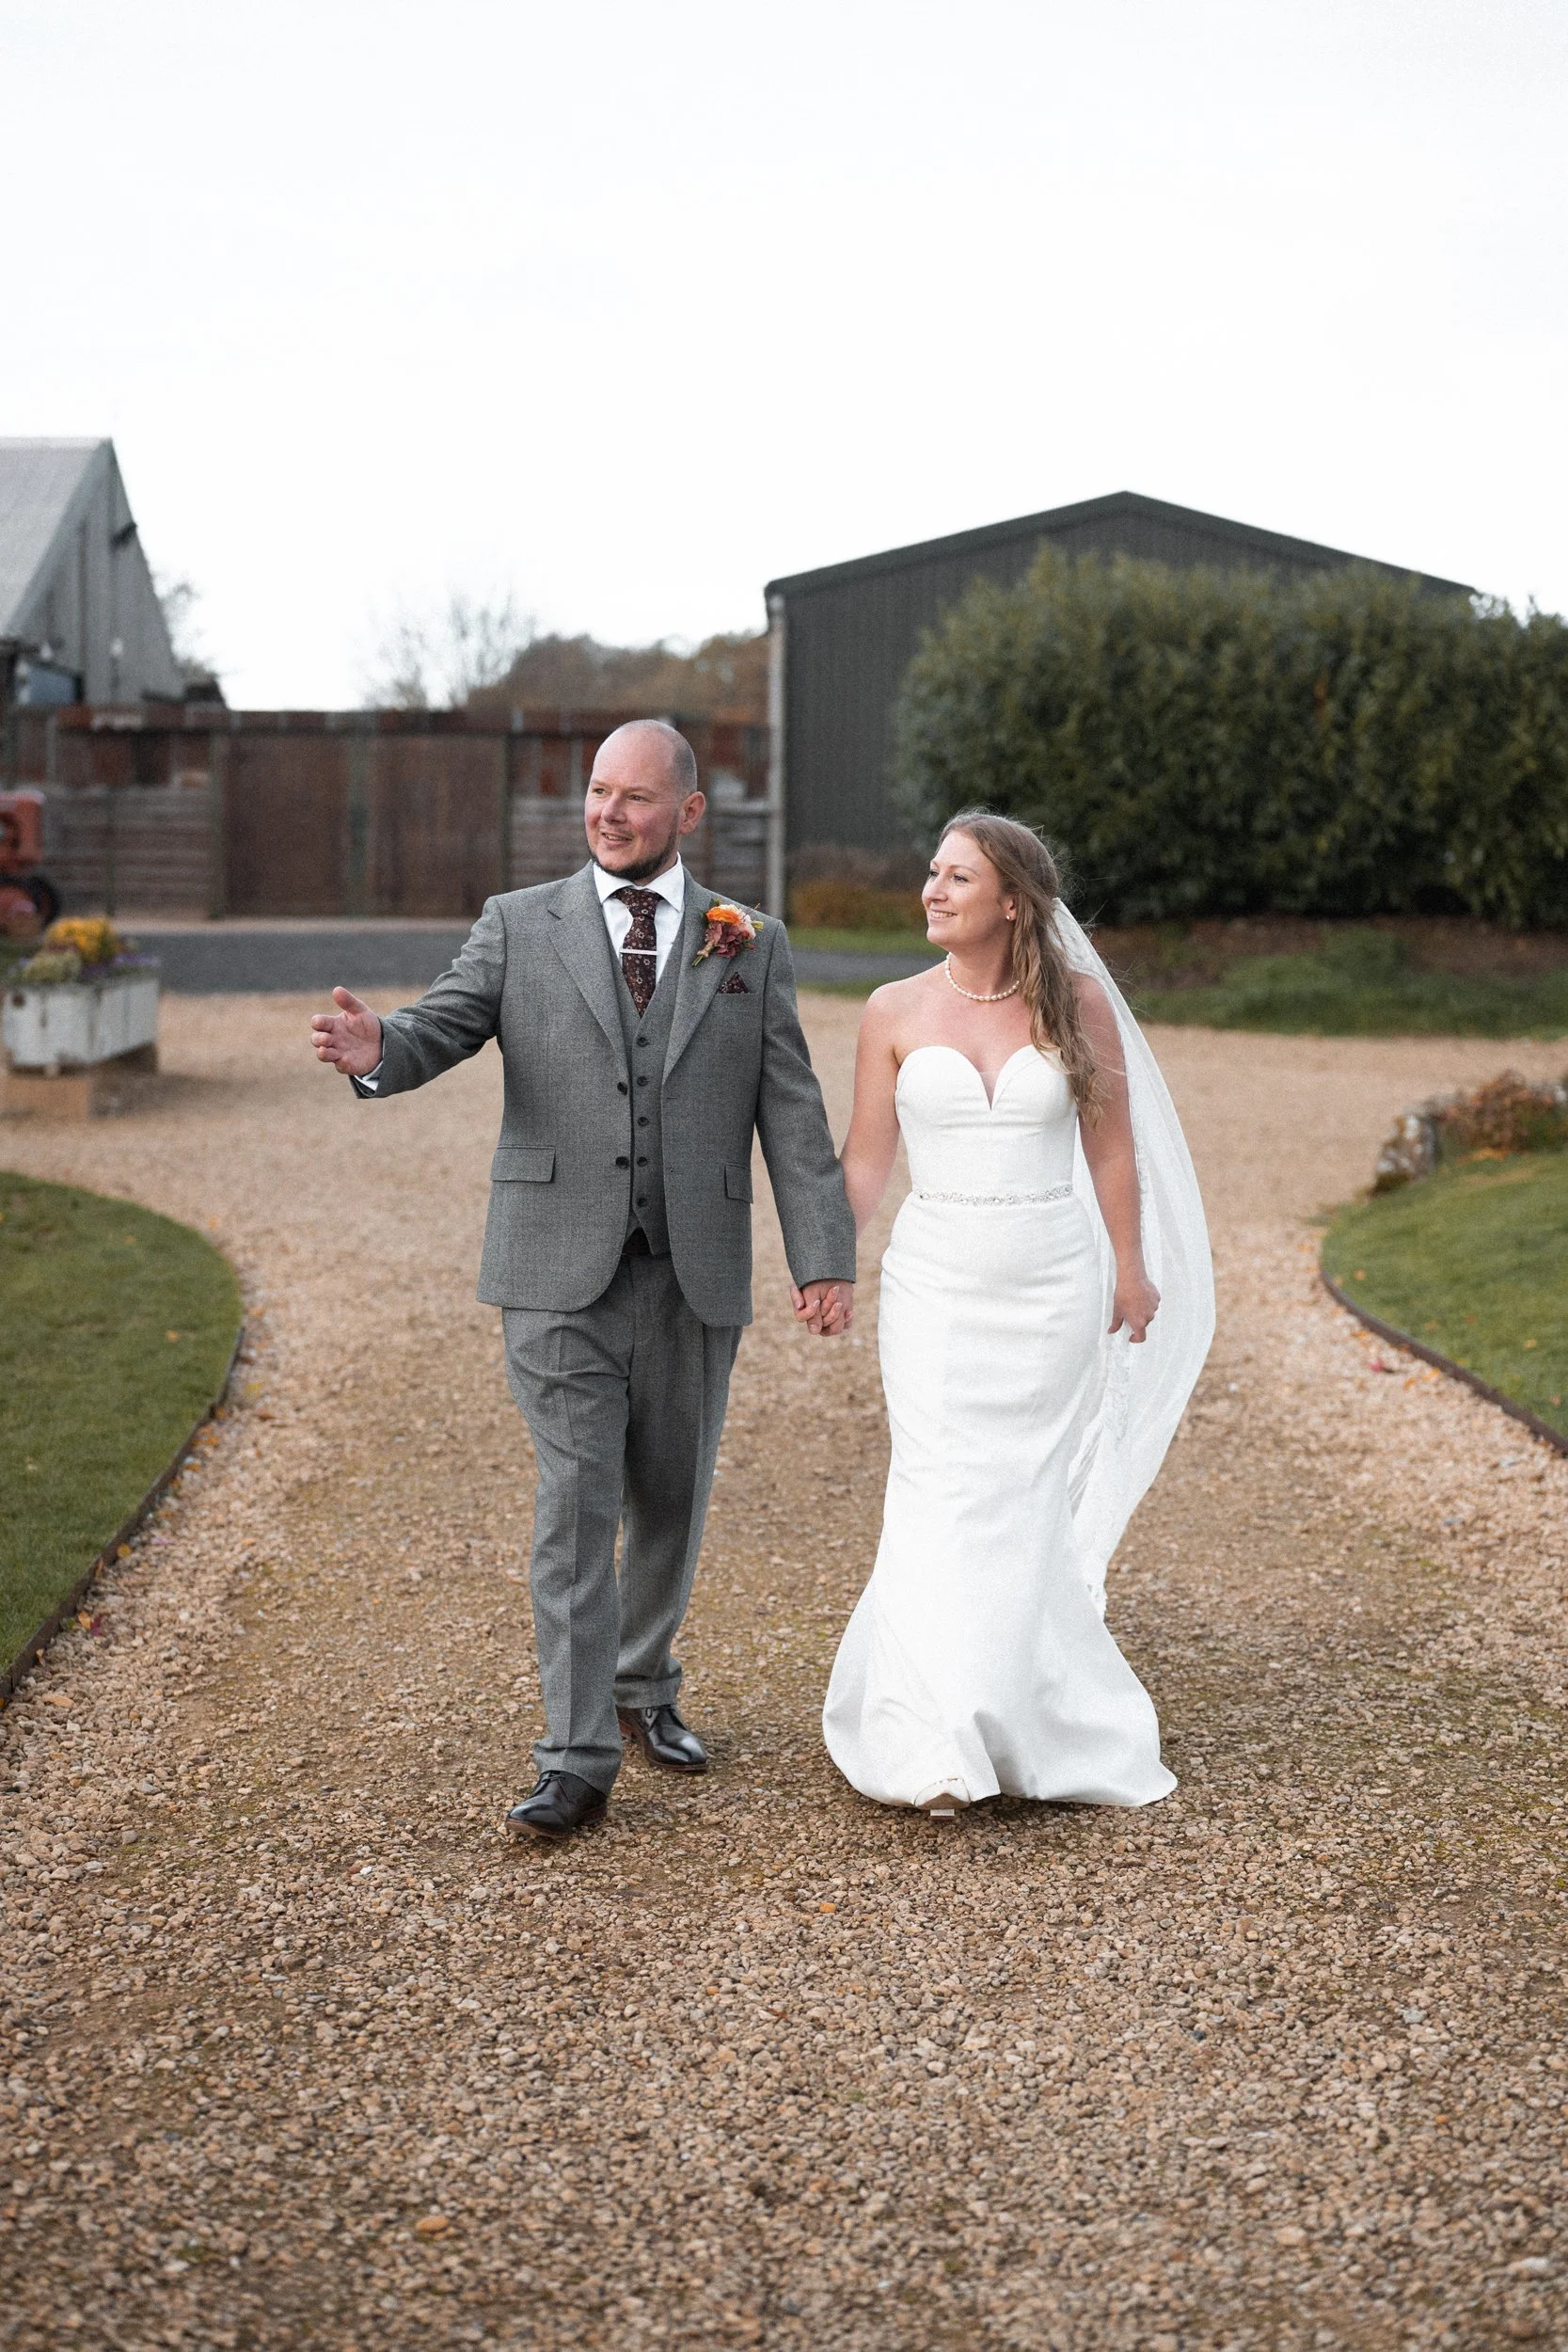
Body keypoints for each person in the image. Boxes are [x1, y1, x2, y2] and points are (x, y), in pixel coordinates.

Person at [311, 720, 856, 1840]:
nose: (610, 813)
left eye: (637, 797)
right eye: (598, 792)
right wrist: (381, 1053)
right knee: (576, 1502)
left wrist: (822, 1258)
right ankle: (574, 1755)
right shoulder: (519, 924)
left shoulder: (748, 939)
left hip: (692, 1268)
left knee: (671, 1496)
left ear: (688, 813)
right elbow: (442, 1026)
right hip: (554, 1268)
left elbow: (789, 1110)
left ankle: (644, 1685)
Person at [823, 810, 1213, 1819]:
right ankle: (934, 1738)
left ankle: (1023, 1713)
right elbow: (866, 1159)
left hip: (1050, 1281)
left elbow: (1111, 1149)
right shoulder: (891, 1010)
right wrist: (828, 1258)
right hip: (936, 1286)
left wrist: (1131, 1266)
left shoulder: (1078, 1004)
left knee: (1025, 1492)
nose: (932, 889)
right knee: (939, 1484)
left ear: (1011, 901)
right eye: (930, 872)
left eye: (956, 877)